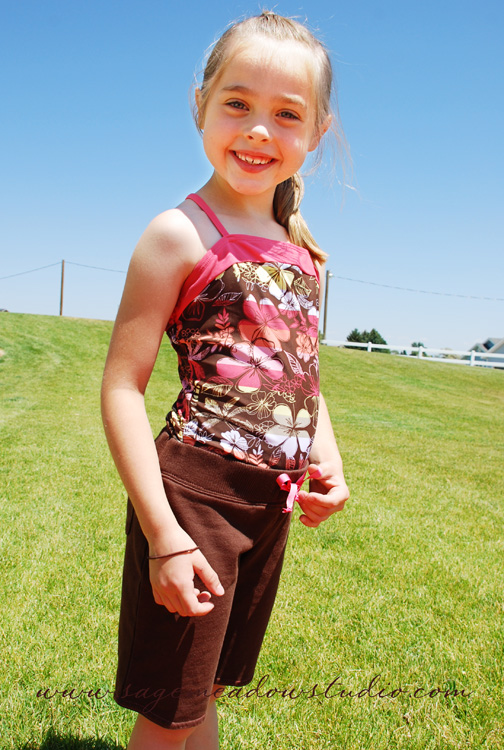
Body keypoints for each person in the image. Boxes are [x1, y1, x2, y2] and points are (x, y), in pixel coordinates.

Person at [101, 10, 350, 750]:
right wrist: (164, 535)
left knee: (205, 690)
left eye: (287, 114)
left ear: (319, 132)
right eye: (237, 103)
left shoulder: (303, 256)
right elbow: (122, 387)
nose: (259, 131)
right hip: (195, 500)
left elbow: (301, 373)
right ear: (200, 104)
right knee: (168, 710)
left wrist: (328, 458)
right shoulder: (179, 234)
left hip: (269, 507)